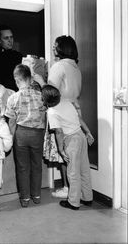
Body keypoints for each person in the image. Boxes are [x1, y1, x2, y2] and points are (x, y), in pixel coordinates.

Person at [42, 84, 94, 210]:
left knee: (72, 172)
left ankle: (73, 202)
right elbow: (79, 118)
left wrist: (61, 150)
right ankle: (87, 198)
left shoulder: (51, 112)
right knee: (84, 169)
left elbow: (59, 132)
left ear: (46, 100)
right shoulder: (66, 102)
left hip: (71, 141)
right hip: (81, 136)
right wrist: (88, 132)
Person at [5, 64, 46, 208]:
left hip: (21, 134)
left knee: (22, 167)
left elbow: (11, 121)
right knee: (37, 165)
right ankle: (37, 195)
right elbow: (44, 114)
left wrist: (10, 138)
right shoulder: (41, 95)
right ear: (30, 78)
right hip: (37, 134)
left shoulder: (12, 98)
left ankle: (25, 198)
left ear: (16, 80)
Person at [47, 35, 83, 199]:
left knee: (63, 151)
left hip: (61, 111)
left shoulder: (59, 66)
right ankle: (79, 190)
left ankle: (67, 188)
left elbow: (50, 93)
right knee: (74, 153)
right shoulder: (76, 68)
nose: (54, 48)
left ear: (62, 48)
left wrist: (39, 78)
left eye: (55, 46)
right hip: (74, 111)